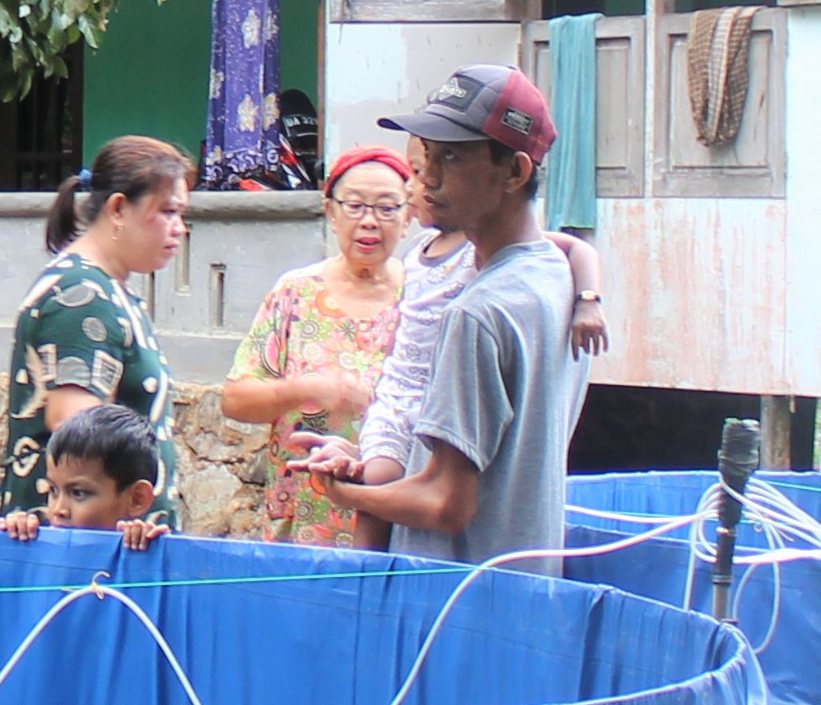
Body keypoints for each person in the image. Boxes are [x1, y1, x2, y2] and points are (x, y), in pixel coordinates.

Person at [222, 144, 608, 547]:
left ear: (407, 216)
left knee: (373, 566)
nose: (369, 221)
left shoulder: (449, 282)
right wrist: (306, 390)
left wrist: (589, 300)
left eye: (387, 207)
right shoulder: (295, 294)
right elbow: (235, 399)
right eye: (354, 206)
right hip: (305, 518)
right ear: (330, 211)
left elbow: (563, 247)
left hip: (407, 504)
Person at [297, 64, 595, 569]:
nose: (428, 178)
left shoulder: (477, 313)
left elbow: (446, 503)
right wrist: (365, 462)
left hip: (456, 601)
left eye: (453, 158)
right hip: (526, 587)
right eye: (427, 157)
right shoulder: (557, 279)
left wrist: (349, 495)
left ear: (516, 172)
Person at [0, 135, 194, 526]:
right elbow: (76, 427)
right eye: (168, 211)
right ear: (119, 208)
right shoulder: (83, 297)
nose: (179, 228)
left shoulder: (107, 290)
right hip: (84, 553)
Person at [0, 402, 172, 549]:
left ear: (136, 499)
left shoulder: (148, 554)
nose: (59, 510)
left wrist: (150, 546)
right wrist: (16, 532)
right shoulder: (41, 546)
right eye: (53, 491)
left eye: (78, 493)